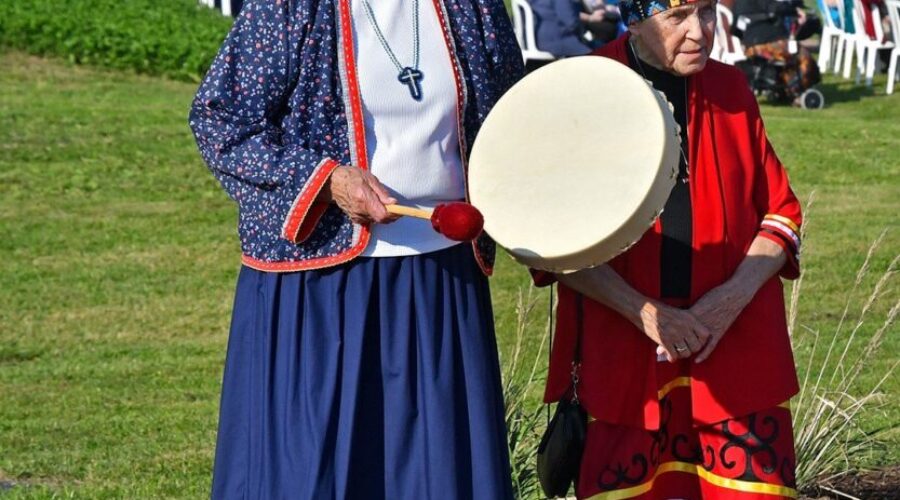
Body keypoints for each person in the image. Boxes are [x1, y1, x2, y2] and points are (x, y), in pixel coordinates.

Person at [188, 0, 523, 497]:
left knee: (439, 476)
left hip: (441, 284)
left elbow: (511, 121)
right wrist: (326, 180)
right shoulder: (290, 8)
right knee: (314, 472)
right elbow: (220, 120)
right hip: (319, 289)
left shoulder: (473, 7)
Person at [533, 0, 804, 497]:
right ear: (634, 19)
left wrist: (730, 300)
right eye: (677, 17)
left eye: (707, 10)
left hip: (735, 349)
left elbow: (781, 212)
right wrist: (646, 313)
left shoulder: (731, 88)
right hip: (623, 354)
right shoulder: (584, 92)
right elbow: (548, 243)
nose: (700, 32)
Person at [733, 0, 822, 104]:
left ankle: (786, 87)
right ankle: (799, 88)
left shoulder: (738, 3)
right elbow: (775, 8)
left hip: (748, 46)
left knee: (787, 57)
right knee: (802, 55)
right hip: (767, 43)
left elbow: (734, 27)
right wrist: (795, 11)